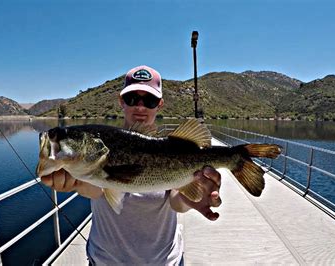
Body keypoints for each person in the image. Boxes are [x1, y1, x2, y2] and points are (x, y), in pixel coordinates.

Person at [41, 65, 222, 265]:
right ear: (121, 101)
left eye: (150, 100)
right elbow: (94, 189)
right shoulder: (100, 152)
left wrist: (192, 199)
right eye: (132, 98)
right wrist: (74, 182)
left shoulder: (170, 149)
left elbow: (175, 200)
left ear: (159, 105)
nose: (140, 107)